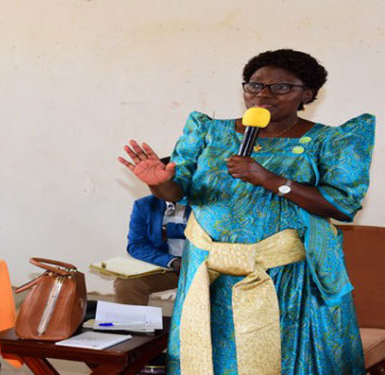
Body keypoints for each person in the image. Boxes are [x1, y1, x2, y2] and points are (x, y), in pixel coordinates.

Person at [119, 49, 373, 374]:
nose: (263, 95)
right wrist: (157, 183)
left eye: (280, 87)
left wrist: (270, 180)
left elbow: (342, 205)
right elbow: (178, 190)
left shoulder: (330, 140)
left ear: (307, 93)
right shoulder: (210, 131)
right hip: (208, 273)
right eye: (254, 86)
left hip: (284, 277)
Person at [114, 159, 191, 305]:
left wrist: (170, 230)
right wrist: (172, 261)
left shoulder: (204, 204)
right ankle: (132, 326)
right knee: (127, 283)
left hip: (200, 266)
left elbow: (211, 233)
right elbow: (136, 245)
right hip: (166, 266)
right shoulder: (144, 205)